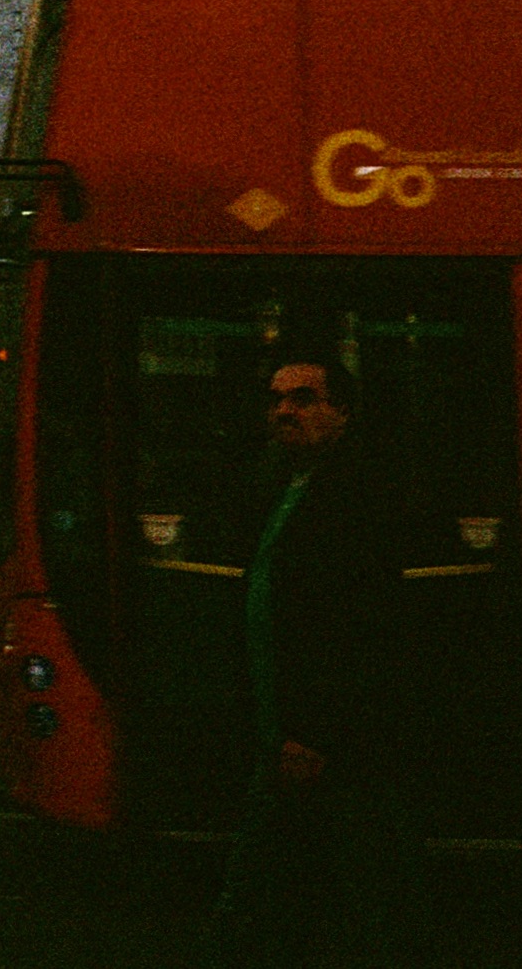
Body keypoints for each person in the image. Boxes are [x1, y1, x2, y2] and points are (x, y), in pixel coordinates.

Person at [207, 353, 422, 969]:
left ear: (343, 412)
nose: (284, 410)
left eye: (303, 398)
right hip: (289, 720)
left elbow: (358, 622)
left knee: (317, 873)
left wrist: (313, 729)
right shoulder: (288, 479)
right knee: (363, 875)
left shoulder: (354, 489)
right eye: (276, 398)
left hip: (323, 729)